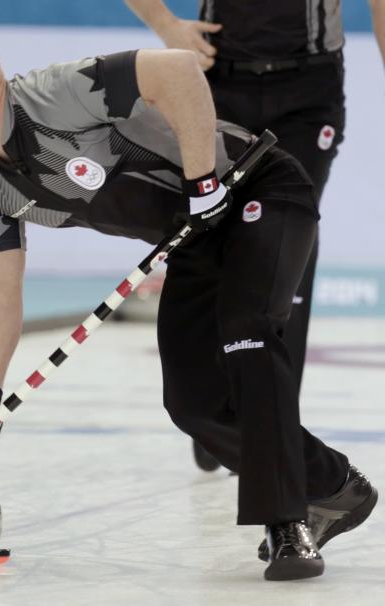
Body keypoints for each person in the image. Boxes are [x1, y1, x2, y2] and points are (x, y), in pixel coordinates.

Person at [0, 16, 376, 581]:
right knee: (192, 401)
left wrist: (203, 183)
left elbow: (177, 70)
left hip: (258, 188)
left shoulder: (55, 93)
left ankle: (288, 523)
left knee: (247, 330)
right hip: (195, 237)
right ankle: (334, 485)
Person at [124, 0, 385, 472]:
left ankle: (269, 427)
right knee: (212, 238)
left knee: (290, 247)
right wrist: (165, 23)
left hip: (309, 88)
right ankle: (216, 410)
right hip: (218, 81)